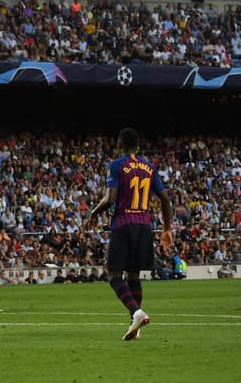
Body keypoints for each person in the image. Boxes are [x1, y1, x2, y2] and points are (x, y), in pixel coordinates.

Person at [83, 127, 175, 341]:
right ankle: (136, 325)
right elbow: (165, 199)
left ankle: (136, 313)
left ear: (119, 144)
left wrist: (94, 212)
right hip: (144, 226)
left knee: (114, 275)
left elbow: (111, 197)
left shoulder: (116, 165)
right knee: (133, 275)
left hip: (123, 224)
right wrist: (167, 228)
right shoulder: (149, 167)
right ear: (138, 144)